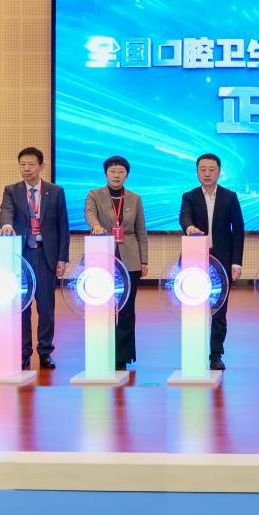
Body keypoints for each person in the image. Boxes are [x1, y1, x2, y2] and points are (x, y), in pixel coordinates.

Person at [0, 147, 70, 371]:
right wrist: (6, 225)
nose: (26, 169)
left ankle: (45, 352)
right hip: (21, 255)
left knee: (46, 307)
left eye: (31, 164)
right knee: (22, 306)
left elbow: (63, 226)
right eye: (22, 164)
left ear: (41, 166)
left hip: (45, 255)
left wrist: (62, 258)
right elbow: (6, 211)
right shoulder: (11, 190)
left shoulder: (55, 191)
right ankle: (23, 352)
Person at [179, 153, 246, 371]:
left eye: (211, 169)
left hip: (222, 261)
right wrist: (190, 227)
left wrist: (236, 262)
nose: (207, 174)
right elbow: (184, 217)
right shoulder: (189, 196)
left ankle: (216, 355)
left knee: (218, 310)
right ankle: (195, 352)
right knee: (193, 308)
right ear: (197, 172)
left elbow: (238, 231)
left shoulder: (230, 197)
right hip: (195, 260)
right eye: (203, 169)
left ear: (219, 172)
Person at [85, 156, 149, 371]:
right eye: (112, 171)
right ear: (106, 174)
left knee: (126, 309)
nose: (116, 175)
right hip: (102, 256)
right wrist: (95, 226)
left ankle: (121, 357)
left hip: (130, 259)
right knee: (102, 308)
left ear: (126, 175)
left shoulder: (135, 198)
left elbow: (141, 231)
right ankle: (102, 352)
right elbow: (89, 214)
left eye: (121, 172)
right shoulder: (94, 195)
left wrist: (144, 260)